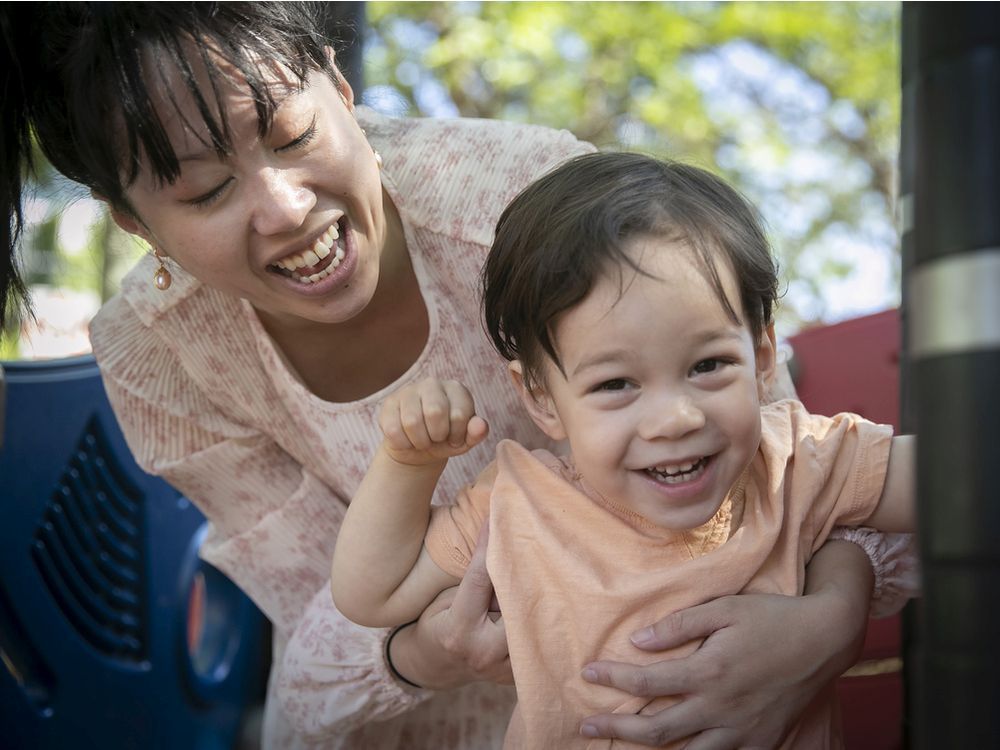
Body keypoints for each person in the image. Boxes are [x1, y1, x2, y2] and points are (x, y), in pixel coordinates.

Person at [0, 4, 918, 748]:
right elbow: (336, 620)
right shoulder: (161, 356)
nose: (283, 208)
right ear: (133, 224)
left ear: (338, 81)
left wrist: (827, 623)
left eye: (289, 133)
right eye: (203, 191)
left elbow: (788, 469)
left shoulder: (536, 209)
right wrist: (429, 651)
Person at [331, 152, 917, 748]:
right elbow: (371, 594)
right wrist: (409, 462)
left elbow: (959, 482)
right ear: (543, 400)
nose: (675, 419)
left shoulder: (796, 460)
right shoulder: (521, 506)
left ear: (762, 358)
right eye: (616, 384)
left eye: (708, 365)